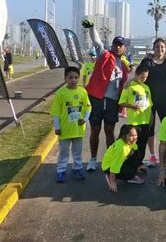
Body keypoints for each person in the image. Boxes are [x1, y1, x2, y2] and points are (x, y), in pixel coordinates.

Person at [82, 20, 131, 172]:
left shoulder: (124, 66)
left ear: (124, 48)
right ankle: (92, 160)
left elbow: (127, 82)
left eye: (120, 45)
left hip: (112, 102)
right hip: (96, 98)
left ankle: (109, 160)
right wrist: (91, 28)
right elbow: (96, 41)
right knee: (95, 130)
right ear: (112, 45)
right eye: (116, 43)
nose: (117, 46)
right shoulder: (104, 54)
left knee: (109, 130)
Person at [50, 66, 91, 183]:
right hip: (65, 130)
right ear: (65, 79)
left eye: (76, 77)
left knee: (77, 151)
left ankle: (77, 169)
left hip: (78, 129)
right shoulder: (60, 93)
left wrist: (85, 118)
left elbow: (88, 107)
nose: (73, 80)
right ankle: (61, 171)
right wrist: (57, 127)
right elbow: (56, 112)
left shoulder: (82, 91)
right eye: (70, 77)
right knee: (63, 152)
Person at [138, 38, 166, 167]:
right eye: (158, 47)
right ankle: (152, 156)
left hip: (164, 100)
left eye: (162, 47)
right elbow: (138, 77)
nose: (160, 49)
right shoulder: (147, 62)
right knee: (149, 129)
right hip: (148, 101)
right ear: (154, 48)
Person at [118, 64, 153, 171]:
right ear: (136, 74)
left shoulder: (146, 87)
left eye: (146, 77)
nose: (144, 79)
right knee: (133, 145)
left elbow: (149, 105)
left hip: (145, 122)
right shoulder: (129, 86)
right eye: (142, 76)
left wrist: (150, 120)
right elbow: (122, 102)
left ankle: (139, 163)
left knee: (142, 145)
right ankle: (131, 164)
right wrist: (131, 105)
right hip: (134, 122)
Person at [102, 125, 144, 192]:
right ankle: (110, 175)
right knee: (130, 174)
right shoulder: (121, 148)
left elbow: (135, 149)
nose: (134, 138)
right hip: (109, 166)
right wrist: (112, 182)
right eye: (131, 136)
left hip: (118, 161)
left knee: (137, 154)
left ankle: (129, 174)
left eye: (135, 135)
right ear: (124, 136)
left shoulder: (129, 142)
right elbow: (114, 164)